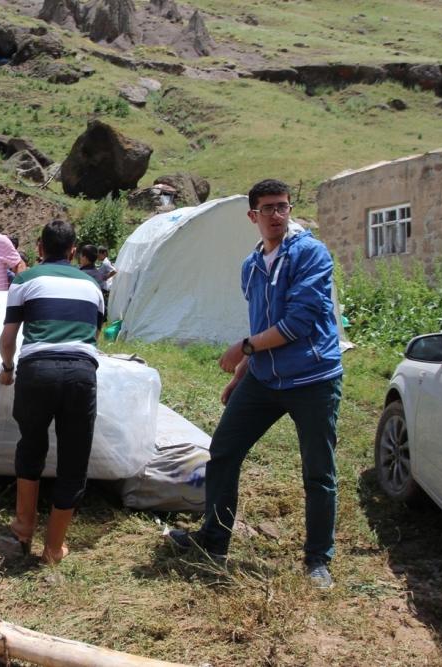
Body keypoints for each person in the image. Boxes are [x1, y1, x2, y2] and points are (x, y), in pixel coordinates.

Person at [167, 179, 343, 590]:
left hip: (313, 378)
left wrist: (244, 349)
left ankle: (318, 559)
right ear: (253, 216)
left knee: (318, 471)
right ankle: (214, 543)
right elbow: (262, 326)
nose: (277, 214)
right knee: (224, 451)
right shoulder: (252, 265)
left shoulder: (310, 254)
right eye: (268, 208)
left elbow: (299, 324)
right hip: (265, 379)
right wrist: (245, 374)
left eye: (283, 206)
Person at [0, 219, 105, 565]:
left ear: (39, 249)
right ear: (74, 252)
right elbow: (93, 340)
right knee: (74, 459)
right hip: (80, 373)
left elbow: (8, 338)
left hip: (36, 371)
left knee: (31, 444)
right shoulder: (93, 285)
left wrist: (8, 368)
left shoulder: (25, 279)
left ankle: (23, 526)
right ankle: (53, 549)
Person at [97, 246, 117, 312]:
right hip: (102, 286)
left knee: (105, 303)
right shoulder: (103, 262)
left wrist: (106, 277)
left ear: (104, 254)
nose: (98, 256)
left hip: (105, 286)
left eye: (99, 254)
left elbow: (114, 271)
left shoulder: (106, 263)